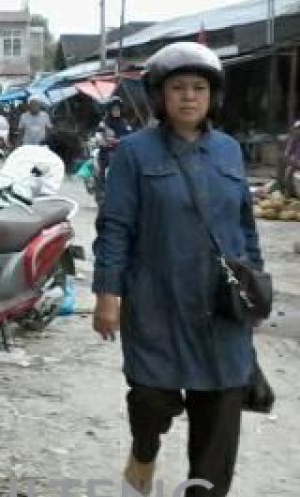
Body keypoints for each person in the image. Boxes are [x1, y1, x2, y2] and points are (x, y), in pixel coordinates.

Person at [92, 42, 264, 496]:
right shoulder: (133, 153)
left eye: (199, 87)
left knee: (218, 422)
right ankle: (144, 450)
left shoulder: (229, 151)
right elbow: (115, 227)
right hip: (156, 304)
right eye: (178, 87)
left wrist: (253, 291)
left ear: (213, 96)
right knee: (150, 398)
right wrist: (107, 294)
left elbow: (245, 228)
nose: (189, 96)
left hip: (221, 312)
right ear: (160, 96)